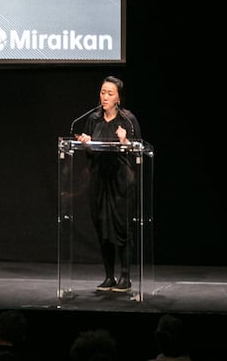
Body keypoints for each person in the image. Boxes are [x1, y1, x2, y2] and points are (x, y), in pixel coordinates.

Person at [74, 75, 143, 292]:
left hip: (121, 182)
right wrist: (85, 144)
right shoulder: (93, 119)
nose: (104, 97)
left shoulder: (128, 120)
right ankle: (109, 277)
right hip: (99, 182)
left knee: (122, 229)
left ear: (119, 98)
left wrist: (126, 142)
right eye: (103, 92)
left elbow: (138, 150)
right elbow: (91, 154)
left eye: (110, 93)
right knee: (102, 228)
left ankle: (125, 277)